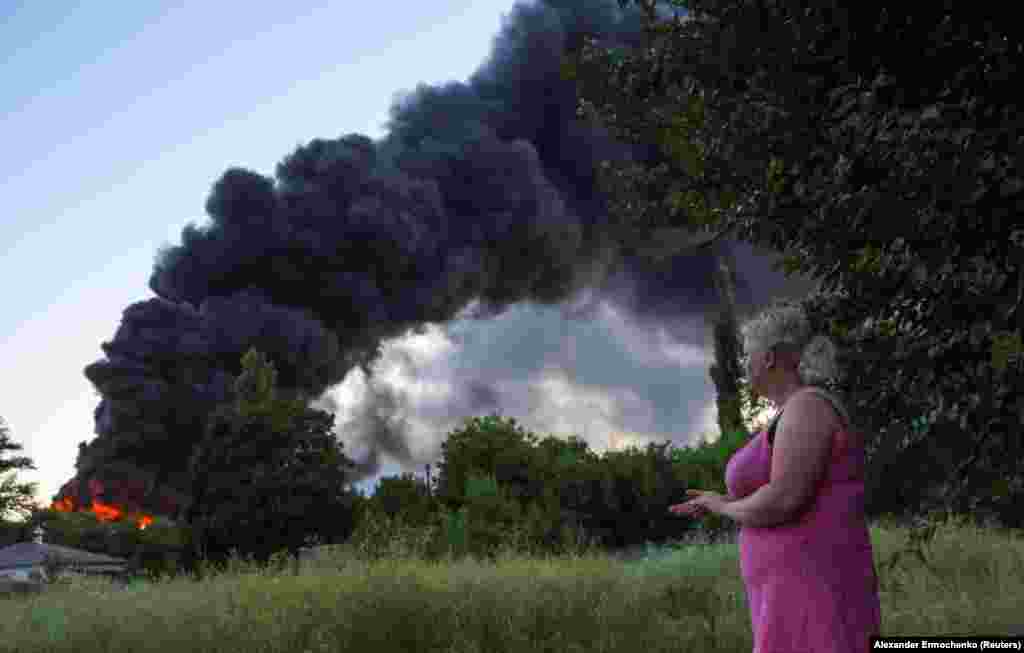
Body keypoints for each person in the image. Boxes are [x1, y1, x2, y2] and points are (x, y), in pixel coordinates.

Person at [669, 299, 881, 652]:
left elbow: (783, 500)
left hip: (814, 594)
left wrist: (724, 509)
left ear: (768, 357)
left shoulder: (808, 407)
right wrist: (723, 502)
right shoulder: (794, 411)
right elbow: (781, 492)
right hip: (793, 594)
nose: (742, 364)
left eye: (746, 355)